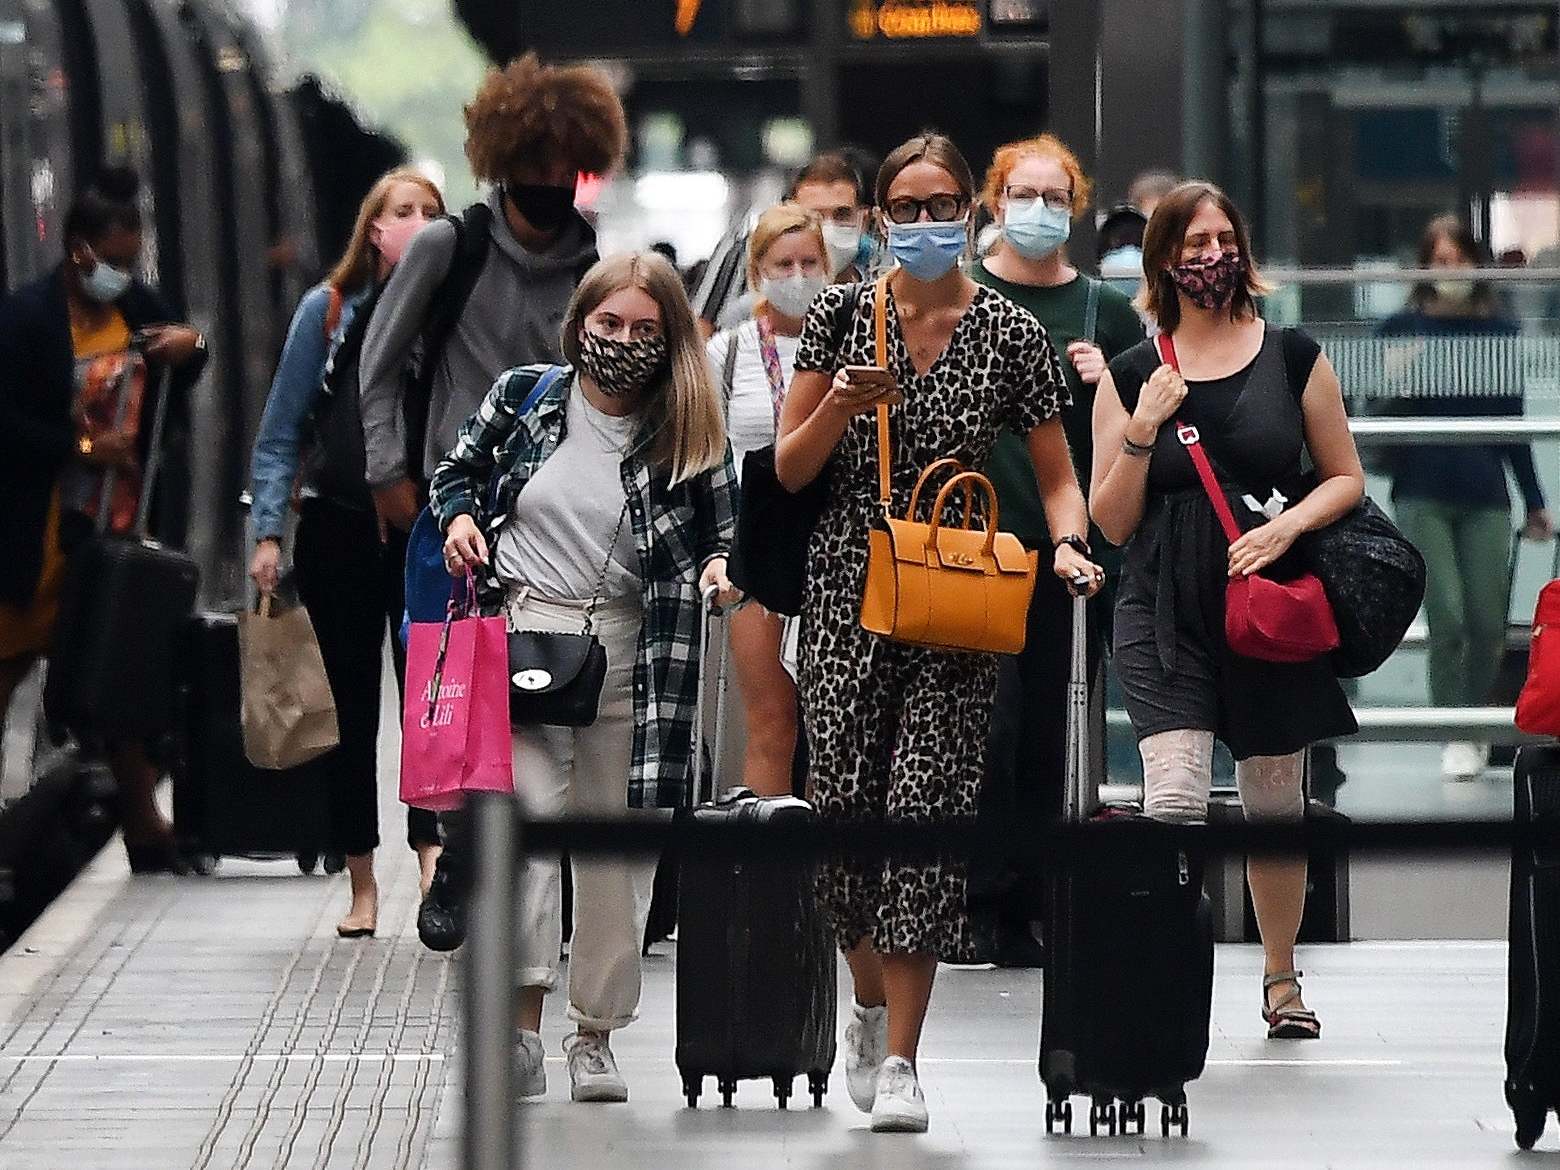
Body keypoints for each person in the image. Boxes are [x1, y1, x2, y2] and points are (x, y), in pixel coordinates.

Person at [775, 133, 1101, 1134]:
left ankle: (907, 1056)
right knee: (840, 817)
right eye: (905, 208)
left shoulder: (1008, 333)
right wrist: (840, 401)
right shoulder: (841, 315)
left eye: (941, 205)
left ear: (971, 212)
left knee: (926, 810)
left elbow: (1054, 472)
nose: (924, 224)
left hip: (957, 586)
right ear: (879, 220)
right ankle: (867, 1002)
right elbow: (789, 470)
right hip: (845, 591)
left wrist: (1070, 543)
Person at [434, 252, 737, 1105]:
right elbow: (454, 474)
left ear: (671, 338)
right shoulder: (527, 397)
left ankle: (595, 1036)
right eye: (609, 325)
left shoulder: (687, 427)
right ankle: (522, 1033)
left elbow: (725, 530)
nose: (624, 343)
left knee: (616, 851)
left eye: (646, 330)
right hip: (523, 638)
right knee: (521, 836)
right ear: (580, 323)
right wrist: (460, 520)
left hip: (637, 656)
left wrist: (717, 569)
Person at [354, 53, 627, 945]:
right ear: (503, 156)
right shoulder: (449, 246)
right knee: (453, 696)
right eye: (535, 161)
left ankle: (485, 863)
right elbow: (380, 364)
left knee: (534, 702)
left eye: (566, 165)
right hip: (451, 515)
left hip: (557, 526)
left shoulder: (594, 260)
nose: (550, 181)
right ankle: (449, 851)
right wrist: (391, 476)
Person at [1090, 180, 1364, 1041]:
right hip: (1161, 601)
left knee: (1274, 796)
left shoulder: (1292, 357)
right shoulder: (1136, 374)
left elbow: (1345, 476)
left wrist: (1286, 526)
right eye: (1192, 241)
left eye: (1223, 237)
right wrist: (1143, 428)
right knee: (1171, 794)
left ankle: (1281, 975)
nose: (1211, 255)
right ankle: (1164, 971)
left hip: (1268, 601)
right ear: (1163, 260)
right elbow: (1110, 520)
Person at [247, 169, 448, 934]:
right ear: (373, 228)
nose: (418, 224)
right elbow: (282, 430)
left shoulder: (446, 313)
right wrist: (268, 532)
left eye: (431, 213)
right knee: (351, 707)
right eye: (403, 213)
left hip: (427, 527)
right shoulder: (327, 312)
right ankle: (361, 877)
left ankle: (431, 856)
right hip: (336, 527)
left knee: (434, 696)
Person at [967, 134, 1146, 967]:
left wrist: (1104, 375)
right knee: (984, 728)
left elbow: (1140, 420)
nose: (1037, 211)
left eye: (1054, 197)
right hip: (969, 544)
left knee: (1048, 728)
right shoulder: (965, 294)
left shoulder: (1102, 311)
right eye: (1023, 194)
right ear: (996, 201)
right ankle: (976, 893)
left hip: (1067, 550)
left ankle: (1032, 901)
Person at [0, 166, 207, 872]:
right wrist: (84, 446)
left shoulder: (137, 310)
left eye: (130, 259)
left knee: (118, 682)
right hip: (39, 538)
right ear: (78, 251)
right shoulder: (27, 320)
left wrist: (195, 348)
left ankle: (147, 829)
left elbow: (180, 363)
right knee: (6, 667)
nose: (121, 274)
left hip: (112, 541)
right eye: (111, 261)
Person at [1378, 215, 1552, 780]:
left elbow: (1510, 423)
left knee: (1486, 620)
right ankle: (1454, 728)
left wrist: (1534, 501)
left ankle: (1476, 726)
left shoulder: (1498, 331)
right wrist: (1393, 377)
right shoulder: (1400, 327)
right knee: (1446, 615)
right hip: (1423, 491)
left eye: (1459, 260)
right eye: (1440, 260)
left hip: (1485, 492)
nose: (1450, 272)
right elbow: (1364, 410)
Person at [705, 205, 831, 797]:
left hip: (836, 545)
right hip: (755, 551)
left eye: (811, 262)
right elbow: (706, 460)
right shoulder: (727, 354)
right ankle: (767, 882)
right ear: (758, 272)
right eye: (784, 263)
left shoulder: (853, 342)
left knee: (837, 731)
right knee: (773, 721)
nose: (799, 275)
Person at [694, 149, 876, 339]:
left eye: (842, 214)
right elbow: (702, 329)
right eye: (814, 215)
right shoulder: (745, 252)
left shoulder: (878, 285)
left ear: (863, 218)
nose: (828, 227)